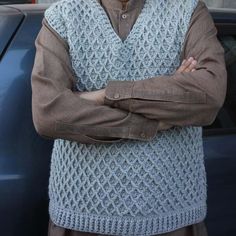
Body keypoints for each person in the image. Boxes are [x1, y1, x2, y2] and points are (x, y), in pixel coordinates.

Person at [31, 0, 227, 235]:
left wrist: (105, 95)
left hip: (173, 219)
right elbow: (49, 113)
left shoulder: (189, 10)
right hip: (81, 219)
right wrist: (155, 117)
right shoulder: (62, 16)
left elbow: (209, 94)